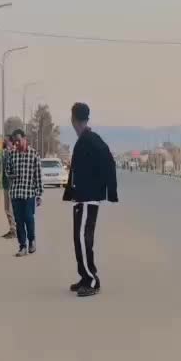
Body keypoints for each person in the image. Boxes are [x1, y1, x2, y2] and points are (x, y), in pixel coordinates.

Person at [63, 102, 118, 297]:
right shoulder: (85, 140)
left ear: (73, 120)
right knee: (79, 239)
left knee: (83, 238)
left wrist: (109, 191)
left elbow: (109, 162)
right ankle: (85, 277)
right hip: (82, 198)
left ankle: (92, 280)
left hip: (88, 198)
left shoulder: (91, 140)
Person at [5, 129, 43, 257]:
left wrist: (39, 194)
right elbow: (7, 171)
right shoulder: (12, 154)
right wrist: (11, 175)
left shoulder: (34, 154)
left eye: (18, 140)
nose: (16, 143)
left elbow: (38, 175)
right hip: (16, 193)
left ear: (24, 138)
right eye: (15, 141)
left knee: (29, 218)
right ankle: (22, 246)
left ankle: (31, 240)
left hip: (29, 193)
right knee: (19, 221)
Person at [1, 138, 16, 240]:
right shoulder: (5, 153)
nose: (5, 142)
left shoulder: (12, 154)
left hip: (11, 185)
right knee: (7, 208)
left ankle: (14, 230)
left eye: (7, 141)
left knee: (10, 209)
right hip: (6, 184)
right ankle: (12, 229)